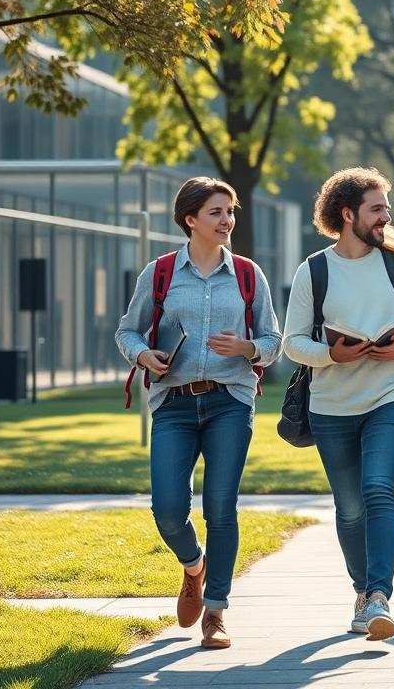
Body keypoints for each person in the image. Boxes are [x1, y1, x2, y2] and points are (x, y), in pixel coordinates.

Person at [115, 176, 282, 649]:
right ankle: (194, 565)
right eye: (216, 212)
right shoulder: (161, 273)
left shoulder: (249, 275)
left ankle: (217, 613)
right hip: (173, 403)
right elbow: (127, 332)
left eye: (230, 212)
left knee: (221, 508)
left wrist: (247, 346)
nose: (227, 220)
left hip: (230, 400)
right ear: (191, 219)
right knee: (167, 508)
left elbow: (273, 341)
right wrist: (144, 356)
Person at [282, 167, 394, 640]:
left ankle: (378, 596)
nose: (386, 217)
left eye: (387, 207)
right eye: (377, 208)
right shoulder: (314, 270)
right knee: (349, 507)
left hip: (391, 393)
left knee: (377, 490)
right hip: (330, 405)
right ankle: (361, 591)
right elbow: (292, 343)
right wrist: (331, 354)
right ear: (347, 213)